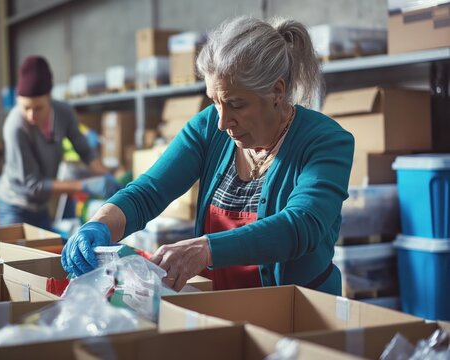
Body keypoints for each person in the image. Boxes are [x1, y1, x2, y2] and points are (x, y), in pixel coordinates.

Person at [61, 16, 354, 295]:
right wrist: (99, 224)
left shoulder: (325, 142)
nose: (222, 121)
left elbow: (301, 225)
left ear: (276, 92)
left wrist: (206, 249)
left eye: (236, 104)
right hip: (221, 311)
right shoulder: (207, 129)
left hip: (297, 315)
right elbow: (148, 192)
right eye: (215, 102)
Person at [0, 56, 121, 231]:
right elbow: (33, 185)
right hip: (15, 207)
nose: (31, 116)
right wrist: (84, 185)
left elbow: (85, 151)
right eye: (25, 108)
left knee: (47, 255)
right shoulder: (15, 127)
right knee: (17, 256)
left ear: (49, 96)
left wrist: (107, 178)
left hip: (41, 207)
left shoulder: (64, 112)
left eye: (38, 108)